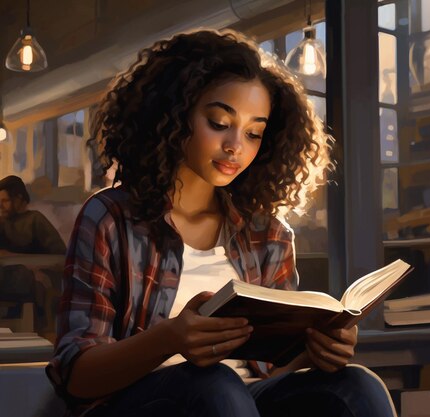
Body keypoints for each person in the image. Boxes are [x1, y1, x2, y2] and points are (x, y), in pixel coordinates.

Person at [46, 29, 397, 417]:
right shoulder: (111, 218)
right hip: (145, 403)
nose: (236, 146)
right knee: (214, 384)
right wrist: (168, 339)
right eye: (218, 122)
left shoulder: (269, 234)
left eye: (253, 133)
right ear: (175, 116)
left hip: (245, 400)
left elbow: (271, 372)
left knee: (356, 386)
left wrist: (318, 351)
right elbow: (76, 378)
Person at [0, 175, 66, 255]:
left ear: (18, 198)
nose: (1, 205)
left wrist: (11, 256)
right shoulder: (2, 222)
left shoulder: (35, 219)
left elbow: (60, 255)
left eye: (5, 201)